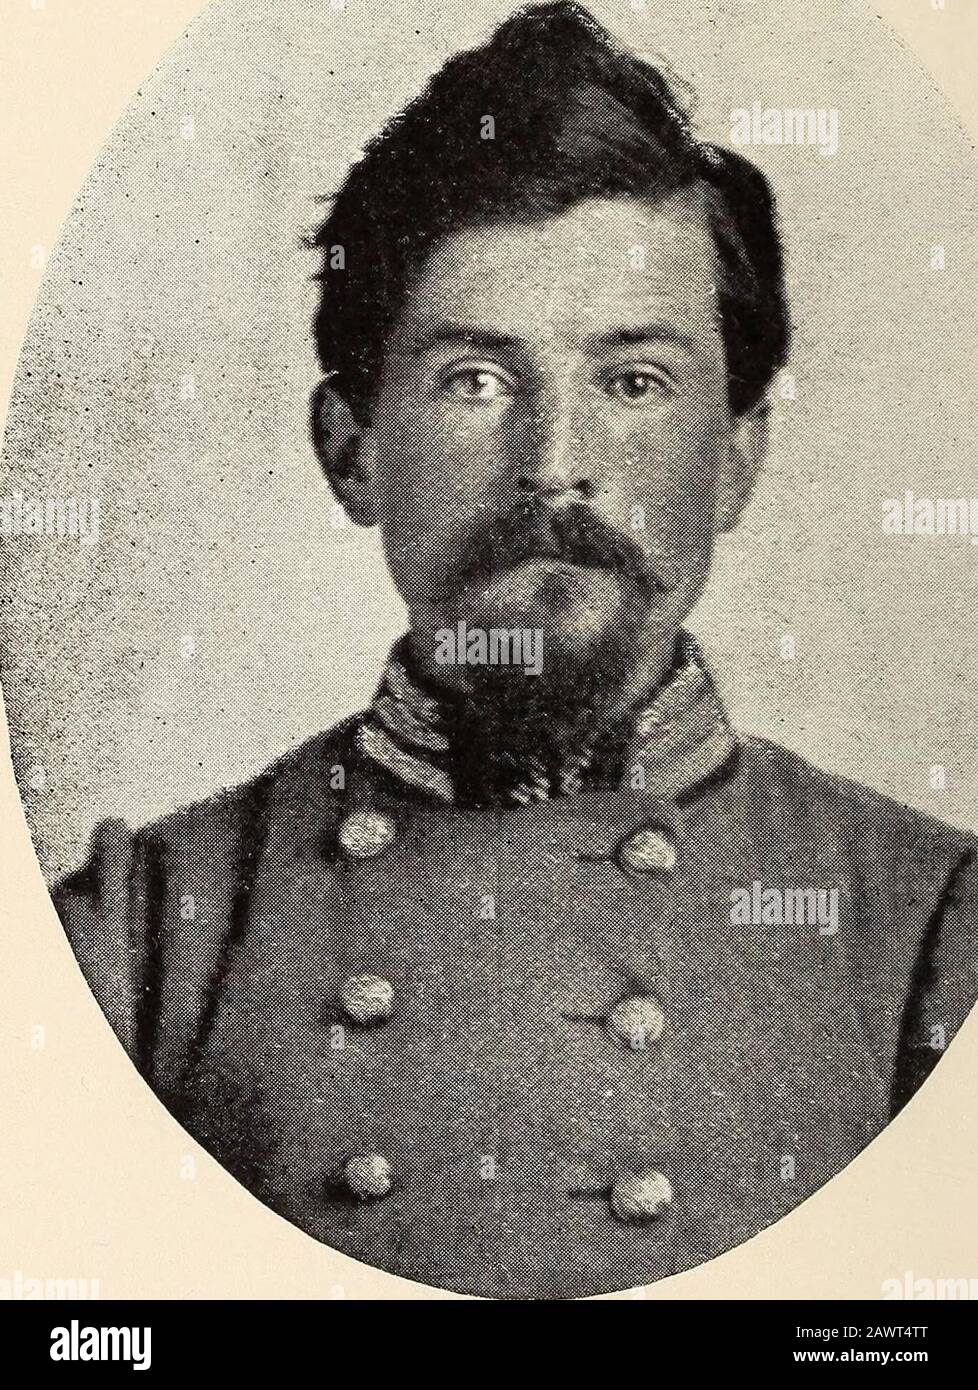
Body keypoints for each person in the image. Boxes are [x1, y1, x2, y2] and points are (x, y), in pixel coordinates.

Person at [53, 1, 978, 1300]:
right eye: (476, 380)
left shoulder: (933, 932)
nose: (554, 466)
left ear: (737, 455)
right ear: (350, 451)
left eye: (633, 380)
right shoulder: (138, 940)